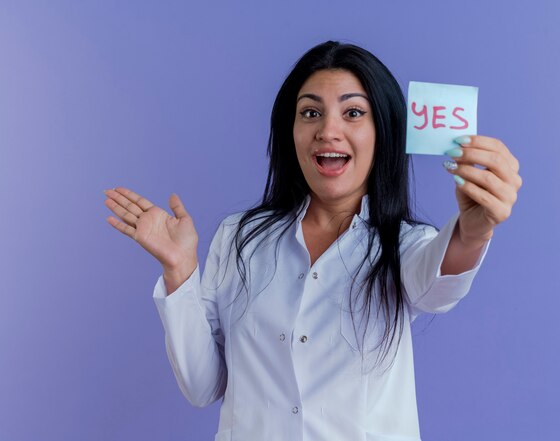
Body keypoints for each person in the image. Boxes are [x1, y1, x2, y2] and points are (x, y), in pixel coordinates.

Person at [104, 40, 522, 441]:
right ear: (291, 132)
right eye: (310, 113)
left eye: (353, 112)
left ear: (383, 133)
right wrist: (180, 270)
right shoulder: (239, 238)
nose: (328, 130)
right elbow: (201, 385)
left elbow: (437, 283)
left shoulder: (406, 244)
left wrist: (475, 227)